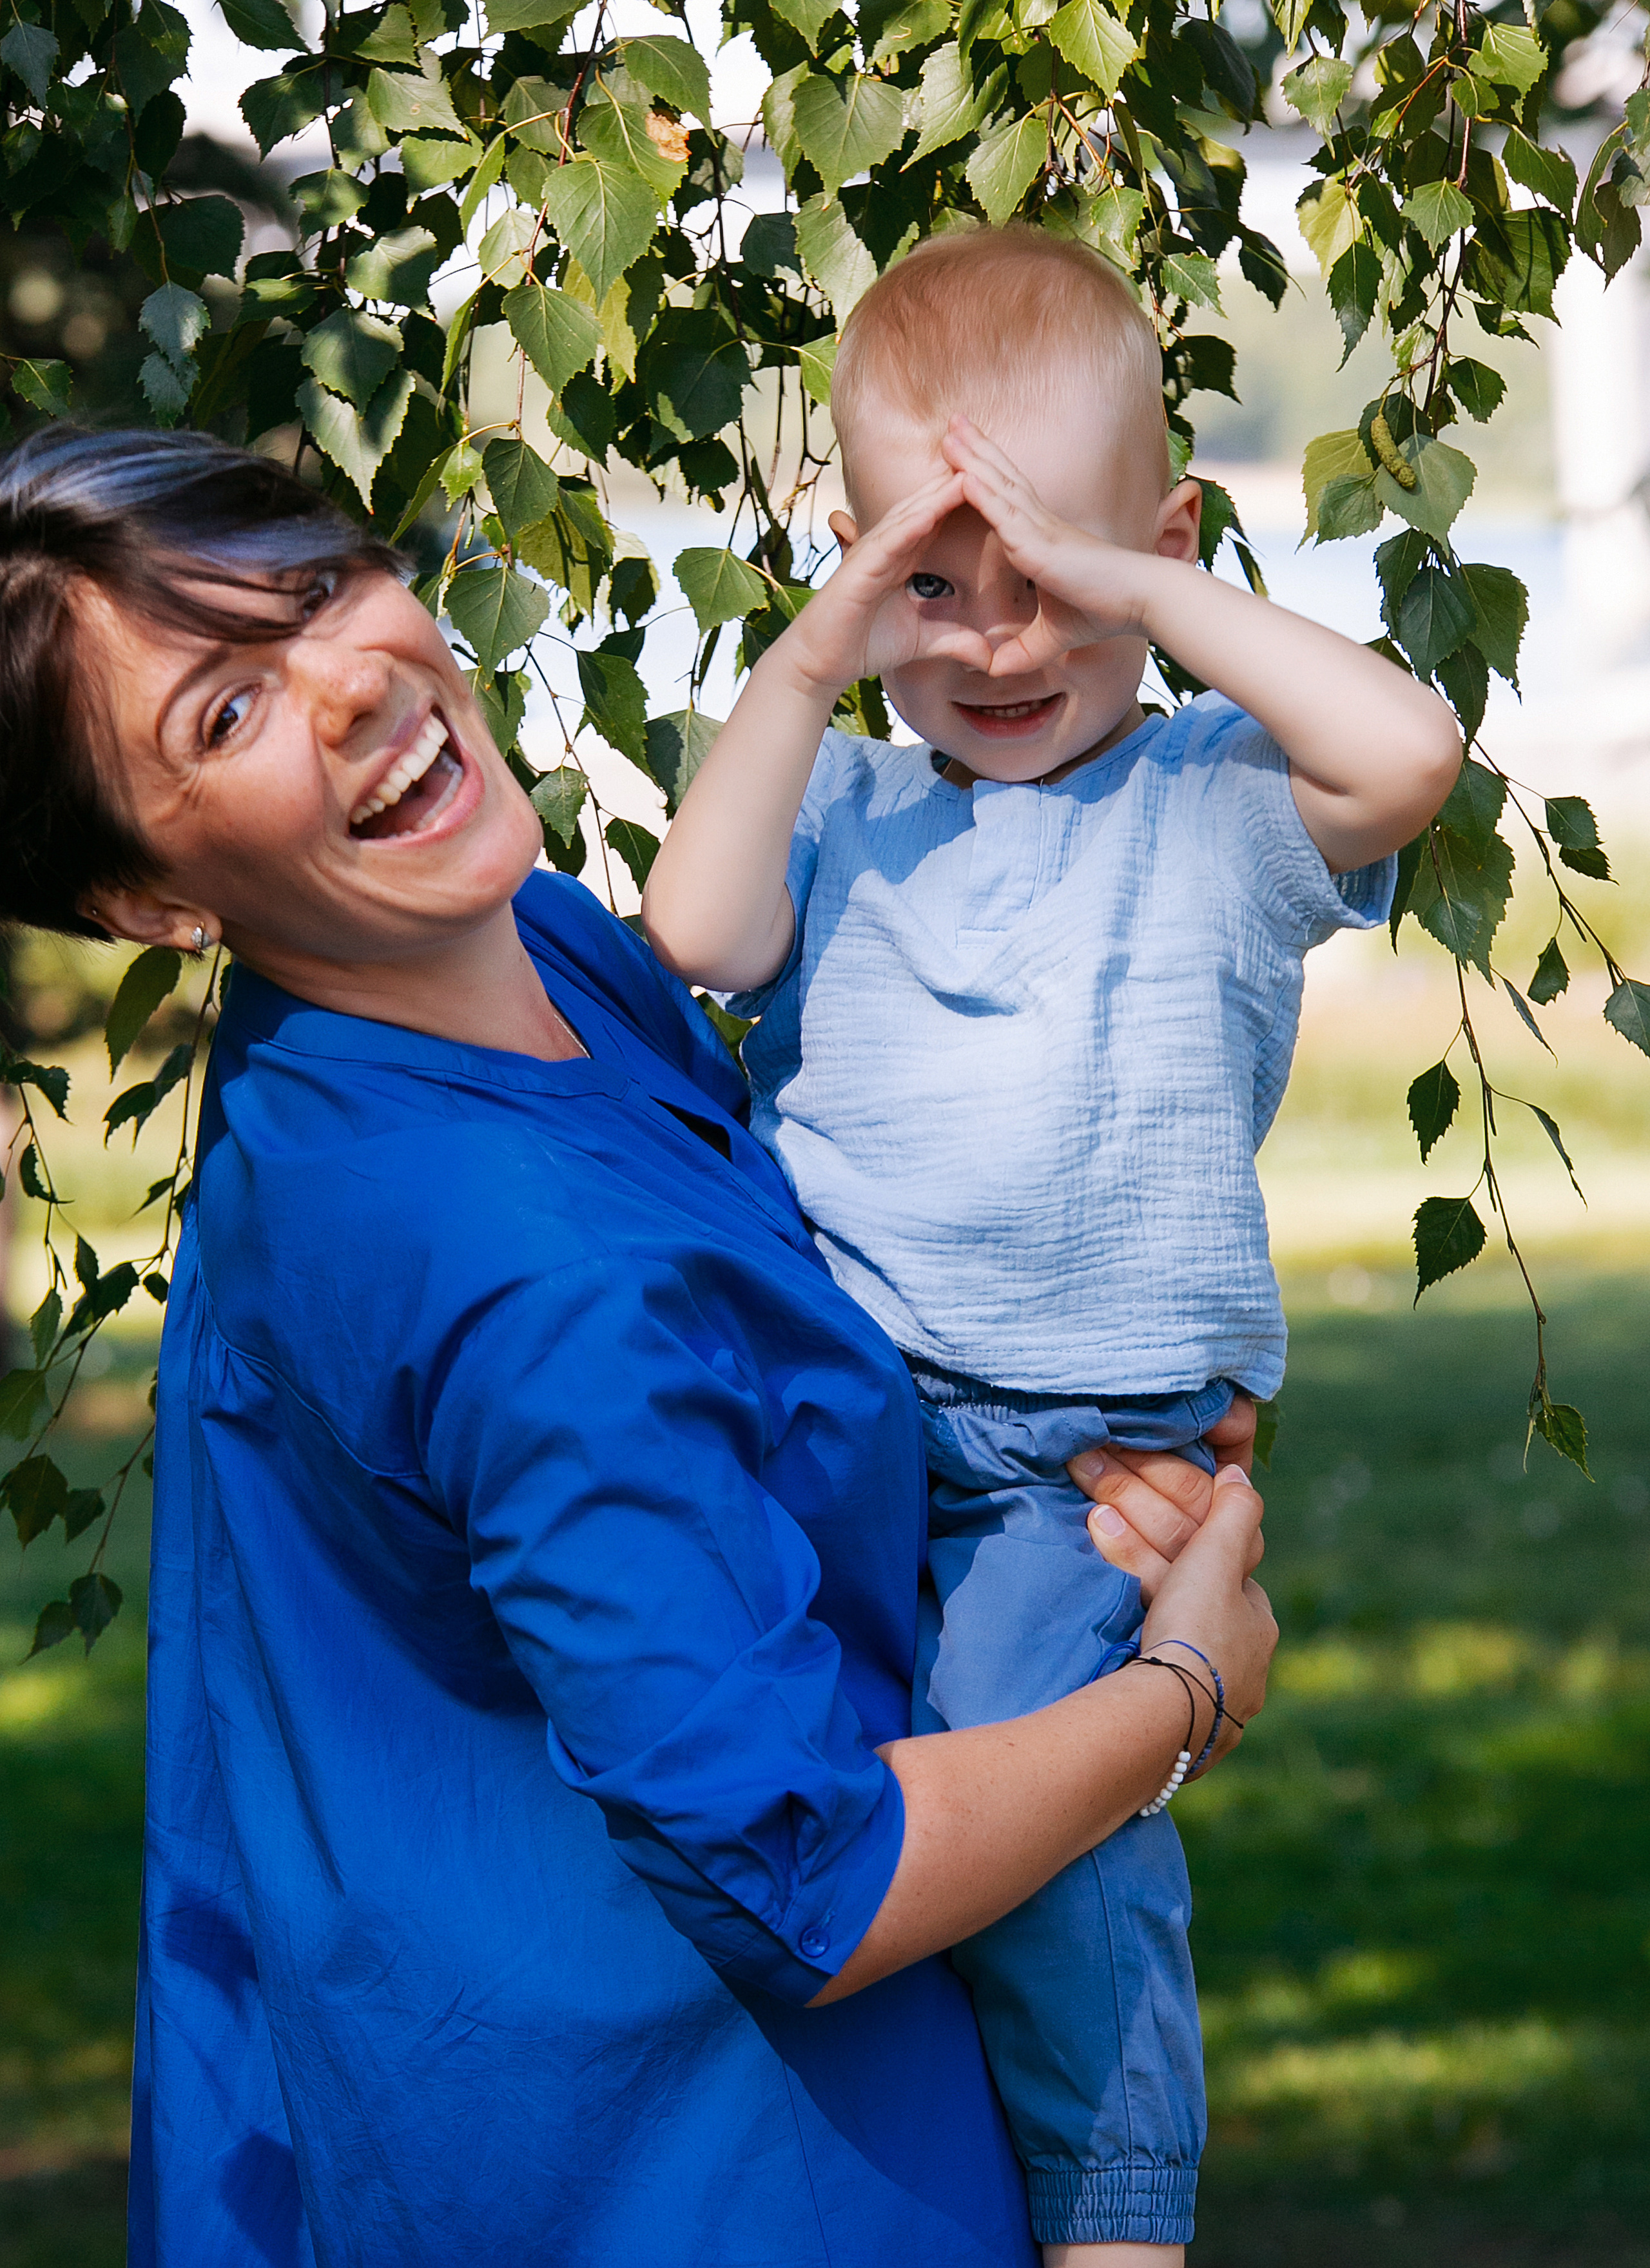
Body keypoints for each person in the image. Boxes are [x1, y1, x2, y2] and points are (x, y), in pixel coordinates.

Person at [0, 423, 1277, 2268]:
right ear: (147, 900)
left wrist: (1061, 1444)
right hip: (714, 2174)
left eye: (319, 589)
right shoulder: (516, 1262)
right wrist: (1184, 1693)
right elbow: (805, 1878)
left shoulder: (509, 959)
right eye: (227, 712)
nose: (351, 683)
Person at [643, 227, 1462, 2259]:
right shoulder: (840, 804)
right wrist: (816, 653)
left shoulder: (1214, 800)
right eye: (935, 584)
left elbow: (1411, 756)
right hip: (837, 1422)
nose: (1000, 643)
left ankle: (1118, 2218)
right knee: (791, 1819)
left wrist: (1151, 597)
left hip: (1068, 1464)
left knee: (1047, 1824)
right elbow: (697, 936)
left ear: (1157, 549)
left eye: (1052, 580)